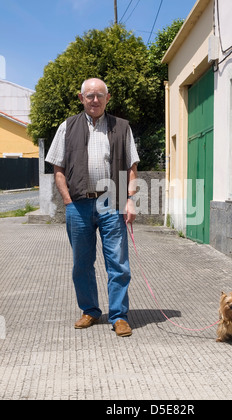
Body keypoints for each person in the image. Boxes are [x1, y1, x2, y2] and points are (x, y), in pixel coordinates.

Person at [46, 78, 139, 337]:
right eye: (90, 96)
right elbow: (58, 168)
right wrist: (67, 200)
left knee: (118, 263)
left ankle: (119, 316)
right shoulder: (67, 127)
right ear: (81, 98)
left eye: (100, 95)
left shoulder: (122, 127)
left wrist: (130, 198)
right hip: (78, 204)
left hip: (112, 202)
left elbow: (132, 166)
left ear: (108, 98)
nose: (95, 100)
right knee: (82, 263)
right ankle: (90, 310)